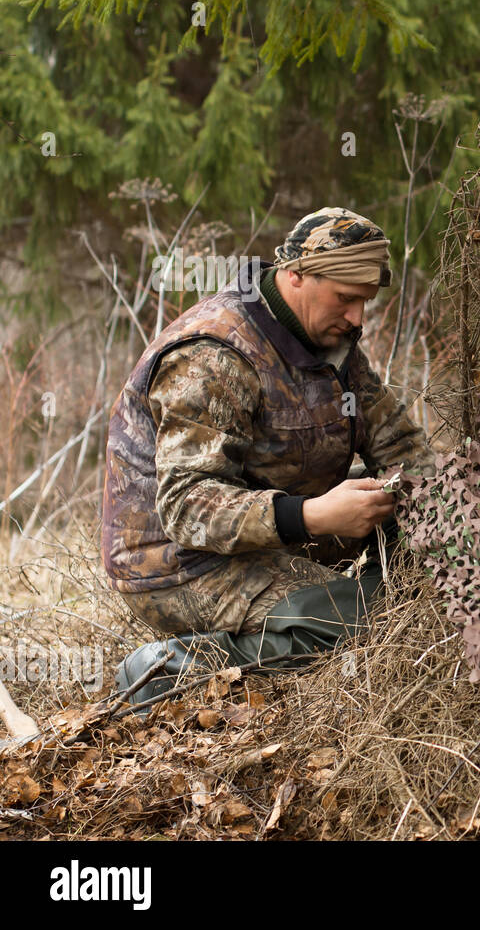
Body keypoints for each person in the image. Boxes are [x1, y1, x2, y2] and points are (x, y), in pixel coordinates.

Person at [101, 207, 439, 705]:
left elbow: (399, 444)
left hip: (281, 532)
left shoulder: (329, 337)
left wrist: (452, 508)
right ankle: (165, 670)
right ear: (295, 275)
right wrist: (314, 515)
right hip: (180, 564)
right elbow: (185, 506)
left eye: (365, 302)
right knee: (371, 625)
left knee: (410, 502)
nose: (357, 318)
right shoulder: (215, 355)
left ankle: (338, 604)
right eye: (346, 299)